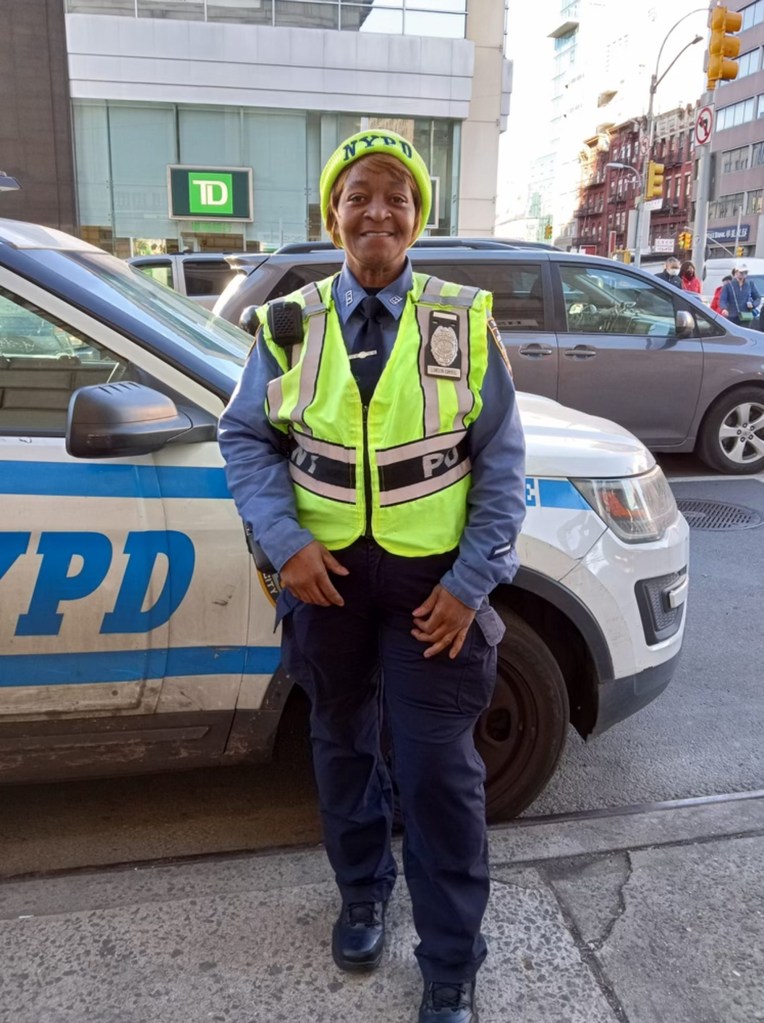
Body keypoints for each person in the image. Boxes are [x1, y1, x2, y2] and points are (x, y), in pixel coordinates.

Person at [218, 129, 526, 1023]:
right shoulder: (288, 322)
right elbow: (246, 437)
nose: (377, 211)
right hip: (326, 584)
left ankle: (452, 958)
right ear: (333, 215)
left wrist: (472, 582)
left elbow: (502, 462)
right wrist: (285, 542)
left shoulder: (462, 318)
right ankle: (363, 894)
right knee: (342, 744)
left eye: (397, 196)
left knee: (438, 771)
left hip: (435, 589)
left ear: (419, 218)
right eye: (359, 196)